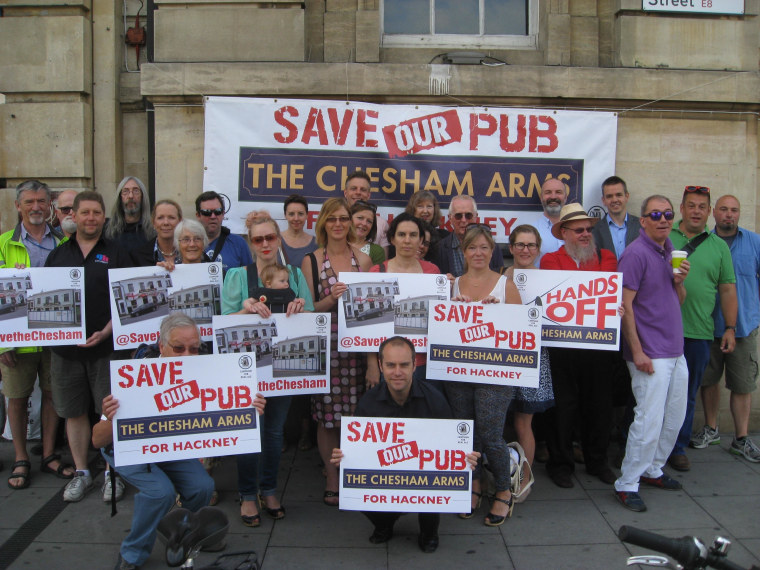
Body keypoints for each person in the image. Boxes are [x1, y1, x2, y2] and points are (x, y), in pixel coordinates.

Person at [92, 313, 266, 570]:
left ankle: (185, 535)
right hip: (126, 449)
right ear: (161, 346)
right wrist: (110, 417)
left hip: (168, 445)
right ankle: (133, 552)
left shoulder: (206, 371)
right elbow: (97, 440)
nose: (187, 355)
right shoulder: (135, 375)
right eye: (178, 348)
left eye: (194, 349)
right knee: (159, 492)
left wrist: (249, 408)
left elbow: (225, 412)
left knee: (202, 487)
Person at [330, 336, 479, 553]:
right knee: (355, 484)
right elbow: (359, 450)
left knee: (434, 484)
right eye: (390, 365)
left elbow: (451, 447)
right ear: (380, 366)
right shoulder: (368, 402)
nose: (397, 372)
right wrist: (345, 457)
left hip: (423, 475)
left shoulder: (435, 400)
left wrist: (465, 458)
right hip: (387, 471)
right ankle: (384, 524)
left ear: (415, 365)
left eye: (404, 365)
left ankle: (429, 531)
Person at [221, 210, 314, 526]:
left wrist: (300, 307)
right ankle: (248, 494)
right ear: (250, 242)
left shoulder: (295, 275)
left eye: (269, 237)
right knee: (250, 430)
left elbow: (312, 319)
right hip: (247, 368)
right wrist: (245, 308)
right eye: (257, 239)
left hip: (284, 367)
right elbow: (222, 323)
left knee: (274, 431)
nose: (264, 243)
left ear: (278, 238)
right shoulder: (237, 276)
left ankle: (269, 488)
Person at [44, 190, 132, 502]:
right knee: (74, 411)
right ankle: (81, 471)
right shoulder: (58, 255)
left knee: (110, 413)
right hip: (66, 351)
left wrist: (106, 332)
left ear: (103, 217)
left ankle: (113, 472)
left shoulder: (117, 252)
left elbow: (127, 300)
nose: (91, 218)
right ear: (74, 216)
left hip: (106, 348)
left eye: (97, 213)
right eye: (85, 213)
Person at [613, 196, 690, 512]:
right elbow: (625, 307)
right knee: (648, 418)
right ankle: (628, 482)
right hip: (649, 353)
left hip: (674, 349)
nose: (663, 219)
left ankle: (653, 468)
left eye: (667, 214)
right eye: (655, 214)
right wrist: (637, 351)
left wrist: (679, 281)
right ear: (642, 220)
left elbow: (678, 299)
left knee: (673, 416)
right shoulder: (634, 254)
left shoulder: (670, 248)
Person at [0, 180, 74, 490]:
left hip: (55, 336)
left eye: (42, 201)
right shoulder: (4, 242)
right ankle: (21, 457)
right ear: (18, 206)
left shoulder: (64, 242)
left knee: (52, 395)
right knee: (16, 399)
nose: (36, 207)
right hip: (15, 340)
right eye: (29, 202)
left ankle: (47, 454)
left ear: (50, 206)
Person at [446, 224, 522, 525]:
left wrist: (499, 313)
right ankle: (474, 484)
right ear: (463, 252)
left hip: (496, 373)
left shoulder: (505, 285)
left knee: (491, 434)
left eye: (484, 247)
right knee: (466, 432)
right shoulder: (452, 285)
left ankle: (503, 490)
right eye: (472, 247)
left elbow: (521, 333)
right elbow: (443, 329)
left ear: (493, 251)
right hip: (458, 371)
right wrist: (451, 308)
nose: (478, 253)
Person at [540, 203, 618, 488]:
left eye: (589, 229)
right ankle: (560, 464)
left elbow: (604, 291)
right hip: (561, 347)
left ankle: (598, 461)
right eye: (579, 230)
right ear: (564, 233)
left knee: (599, 406)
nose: (586, 234)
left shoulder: (607, 257)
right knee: (562, 408)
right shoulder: (550, 260)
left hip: (598, 347)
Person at [301, 197, 372, 506]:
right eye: (332, 219)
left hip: (357, 348)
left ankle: (353, 473)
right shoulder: (312, 260)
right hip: (328, 349)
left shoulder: (364, 260)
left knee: (357, 415)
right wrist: (331, 298)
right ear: (323, 223)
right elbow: (307, 310)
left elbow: (373, 313)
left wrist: (372, 360)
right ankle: (331, 478)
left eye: (344, 218)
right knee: (327, 416)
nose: (339, 224)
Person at [668, 186, 737, 472]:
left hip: (698, 332)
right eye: (691, 205)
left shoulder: (718, 246)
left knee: (687, 393)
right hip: (662, 331)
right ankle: (636, 444)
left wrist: (730, 328)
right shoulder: (664, 237)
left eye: (702, 207)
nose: (696, 211)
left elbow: (728, 291)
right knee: (651, 392)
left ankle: (678, 447)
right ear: (681, 209)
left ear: (708, 212)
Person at [691, 195, 760, 462]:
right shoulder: (702, 244)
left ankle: (741, 438)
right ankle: (711, 428)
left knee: (742, 384)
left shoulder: (754, 242)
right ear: (713, 213)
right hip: (708, 325)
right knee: (708, 381)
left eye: (734, 210)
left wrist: (752, 309)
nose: (729, 214)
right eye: (723, 210)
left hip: (743, 328)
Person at [502, 224, 555, 501]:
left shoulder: (550, 280)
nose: (525, 250)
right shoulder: (500, 278)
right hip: (502, 358)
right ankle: (501, 477)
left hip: (534, 357)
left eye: (531, 245)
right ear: (511, 248)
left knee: (524, 422)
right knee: (497, 421)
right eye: (520, 245)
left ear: (538, 249)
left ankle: (523, 479)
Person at [366, 213, 440, 389]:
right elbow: (368, 327)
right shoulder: (377, 272)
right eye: (401, 234)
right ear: (392, 239)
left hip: (424, 361)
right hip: (389, 363)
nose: (407, 240)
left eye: (413, 235)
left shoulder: (433, 272)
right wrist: (372, 364)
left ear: (421, 240)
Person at [433, 195, 503, 277]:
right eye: (458, 216)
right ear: (450, 218)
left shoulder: (493, 247)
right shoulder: (439, 249)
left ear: (476, 216)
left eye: (468, 215)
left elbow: (499, 279)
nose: (463, 220)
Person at [194, 191, 253, 272]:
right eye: (207, 212)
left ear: (223, 214)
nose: (213, 216)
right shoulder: (188, 244)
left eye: (217, 211)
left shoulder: (238, 243)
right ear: (198, 215)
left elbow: (250, 277)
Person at [592, 176, 641, 260]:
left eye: (618, 195)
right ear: (603, 200)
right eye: (609, 196)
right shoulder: (594, 230)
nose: (614, 200)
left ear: (627, 196)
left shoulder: (642, 226)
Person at [342, 170, 389, 251]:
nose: (358, 192)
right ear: (345, 193)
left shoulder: (381, 224)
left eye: (363, 190)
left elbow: (383, 262)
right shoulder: (335, 220)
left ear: (368, 195)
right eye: (353, 188)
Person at [105, 176, 155, 250]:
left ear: (142, 196)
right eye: (125, 191)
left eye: (136, 191)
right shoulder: (108, 230)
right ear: (120, 197)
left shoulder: (153, 231)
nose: (131, 196)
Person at [130, 200, 183, 266]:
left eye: (171, 218)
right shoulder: (138, 256)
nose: (166, 223)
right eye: (160, 218)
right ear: (153, 222)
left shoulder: (191, 251)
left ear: (180, 221)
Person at [535, 177, 568, 261]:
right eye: (548, 192)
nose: (553, 197)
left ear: (565, 197)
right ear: (541, 197)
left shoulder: (579, 231)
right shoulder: (532, 230)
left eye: (558, 192)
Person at [281, 194, 317, 269]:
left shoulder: (316, 244)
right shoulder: (274, 240)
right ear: (285, 215)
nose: (296, 218)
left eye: (300, 214)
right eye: (291, 214)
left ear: (307, 215)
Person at [350, 200, 386, 265]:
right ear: (349, 219)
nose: (364, 223)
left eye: (369, 221)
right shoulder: (335, 245)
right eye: (360, 218)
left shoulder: (377, 251)